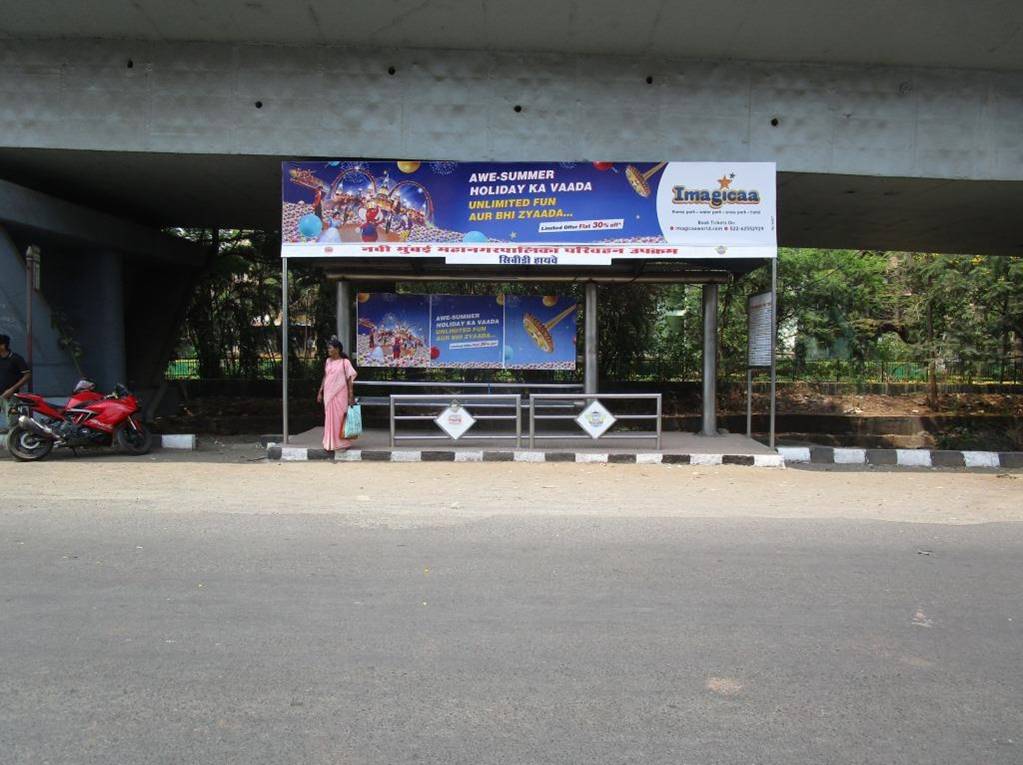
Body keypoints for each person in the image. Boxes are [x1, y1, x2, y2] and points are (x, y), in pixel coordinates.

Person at [316, 337, 357, 451]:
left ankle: (342, 443)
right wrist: (320, 391)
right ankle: (330, 443)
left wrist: (350, 395)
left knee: (340, 417)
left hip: (341, 394)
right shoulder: (328, 361)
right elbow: (325, 377)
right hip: (328, 394)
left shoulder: (345, 362)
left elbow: (349, 380)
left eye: (330, 348)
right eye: (328, 348)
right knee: (329, 418)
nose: (328, 350)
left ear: (337, 349)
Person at [0, 333, 31, 433]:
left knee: (12, 423)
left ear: (3, 346)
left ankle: (14, 441)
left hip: (11, 396)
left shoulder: (16, 358)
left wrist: (12, 390)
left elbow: (27, 375)